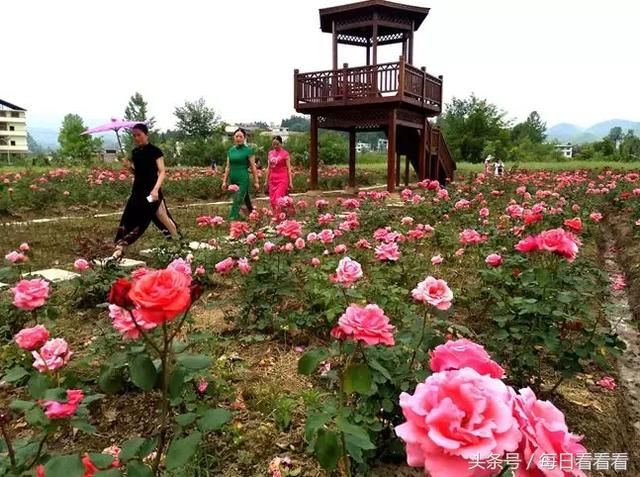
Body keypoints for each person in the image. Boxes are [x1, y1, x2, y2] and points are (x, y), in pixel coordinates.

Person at [113, 123, 179, 258]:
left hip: (152, 192)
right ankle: (120, 245)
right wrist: (128, 167)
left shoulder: (155, 151)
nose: (136, 138)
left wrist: (155, 190)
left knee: (162, 216)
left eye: (139, 135)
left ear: (146, 134)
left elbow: (162, 172)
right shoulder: (135, 153)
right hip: (138, 191)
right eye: (134, 135)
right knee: (129, 216)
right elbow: (137, 172)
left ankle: (178, 241)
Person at [222, 128, 260, 220]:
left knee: (238, 199)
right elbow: (228, 167)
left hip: (243, 178)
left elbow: (253, 167)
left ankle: (232, 218)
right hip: (233, 178)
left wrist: (256, 181)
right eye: (236, 136)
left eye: (241, 136)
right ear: (234, 138)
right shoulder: (231, 151)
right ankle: (253, 214)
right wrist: (224, 181)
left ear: (244, 138)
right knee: (244, 198)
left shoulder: (248, 150)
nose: (238, 138)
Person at [265, 135, 293, 212]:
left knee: (278, 197)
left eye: (277, 144)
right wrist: (266, 181)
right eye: (273, 144)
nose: (275, 146)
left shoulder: (285, 154)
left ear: (281, 143)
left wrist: (290, 182)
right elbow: (269, 168)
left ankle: (280, 215)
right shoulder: (270, 153)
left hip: (282, 179)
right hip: (272, 179)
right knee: (272, 199)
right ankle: (278, 214)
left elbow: (289, 168)